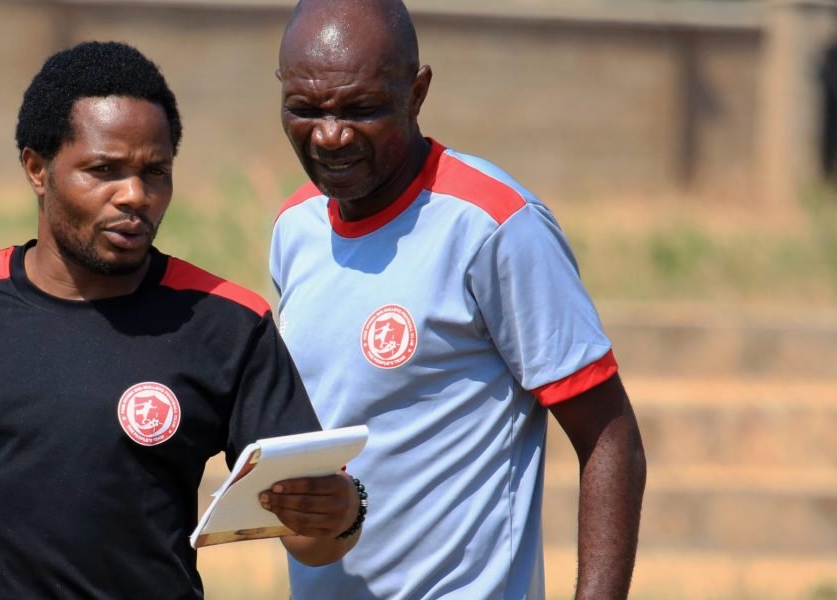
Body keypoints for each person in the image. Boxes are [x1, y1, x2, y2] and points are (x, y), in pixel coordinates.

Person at [0, 41, 361, 599]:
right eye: (103, 170)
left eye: (155, 172)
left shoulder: (229, 325)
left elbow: (313, 538)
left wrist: (339, 515)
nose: (135, 196)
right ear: (36, 168)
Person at [266, 1, 647, 598]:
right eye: (304, 110)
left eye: (361, 109)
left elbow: (609, 438)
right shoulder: (296, 227)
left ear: (417, 94)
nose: (331, 135)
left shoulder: (493, 226)